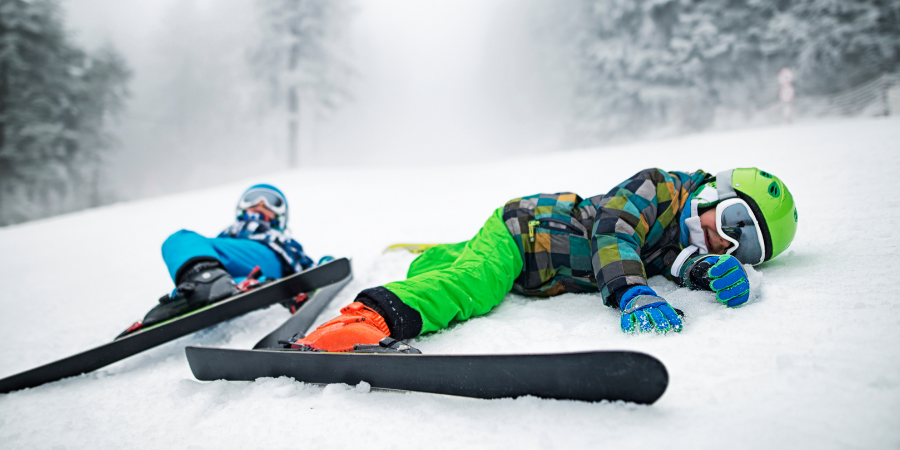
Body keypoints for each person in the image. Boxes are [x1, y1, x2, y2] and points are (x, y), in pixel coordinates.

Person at [290, 168, 798, 352]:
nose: (724, 241)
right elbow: (613, 230)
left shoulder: (677, 241)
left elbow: (677, 262)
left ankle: (439, 260)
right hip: (524, 233)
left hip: (532, 269)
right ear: (715, 192)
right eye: (732, 222)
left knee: (474, 270)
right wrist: (632, 290)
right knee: (477, 285)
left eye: (745, 247)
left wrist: (719, 274)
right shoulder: (659, 187)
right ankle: (366, 318)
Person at [140, 184, 322, 327]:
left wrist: (325, 267)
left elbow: (307, 266)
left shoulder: (279, 239)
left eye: (271, 202)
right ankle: (204, 290)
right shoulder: (225, 237)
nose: (260, 203)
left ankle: (205, 285)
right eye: (252, 199)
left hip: (264, 256)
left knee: (183, 239)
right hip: (225, 271)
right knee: (181, 242)